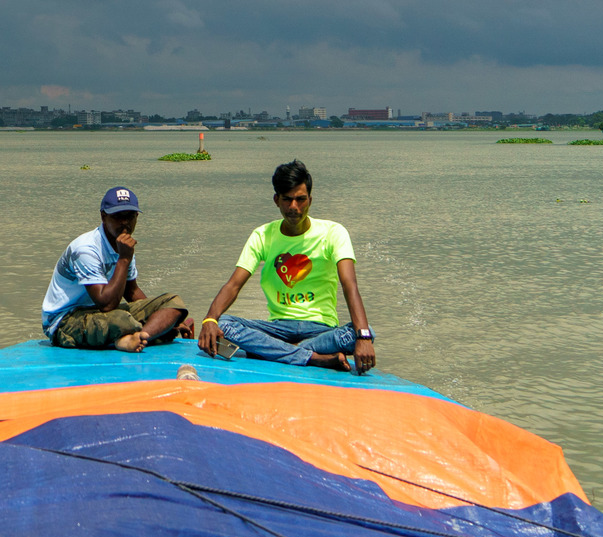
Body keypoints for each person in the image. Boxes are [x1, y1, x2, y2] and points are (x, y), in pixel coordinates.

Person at [196, 159, 376, 375]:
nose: (294, 207)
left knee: (363, 333)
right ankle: (312, 358)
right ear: (276, 200)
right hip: (277, 329)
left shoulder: (333, 233)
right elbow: (234, 284)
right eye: (287, 200)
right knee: (223, 323)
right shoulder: (262, 235)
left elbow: (350, 285)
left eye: (300, 200)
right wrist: (209, 319)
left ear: (310, 199)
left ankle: (276, 352)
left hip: (321, 331)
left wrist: (363, 337)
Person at [41, 185, 192, 351]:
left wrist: (162, 316)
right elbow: (106, 304)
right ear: (103, 216)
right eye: (118, 216)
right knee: (121, 320)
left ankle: (139, 337)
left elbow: (132, 291)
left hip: (101, 314)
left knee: (174, 303)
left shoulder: (122, 244)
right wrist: (124, 258)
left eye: (130, 216)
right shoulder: (86, 249)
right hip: (65, 320)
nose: (125, 222)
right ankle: (141, 336)